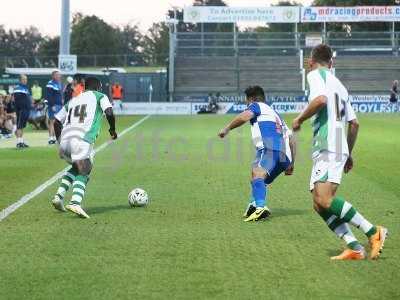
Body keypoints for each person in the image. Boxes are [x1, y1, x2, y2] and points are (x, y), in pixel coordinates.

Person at [292, 44, 387, 260]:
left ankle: (374, 232)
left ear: (310, 62)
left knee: (324, 199)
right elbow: (354, 124)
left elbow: (320, 100)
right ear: (332, 63)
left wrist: (299, 118)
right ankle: (354, 246)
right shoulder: (340, 86)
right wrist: (348, 153)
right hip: (333, 146)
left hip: (328, 143)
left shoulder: (315, 75)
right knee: (318, 203)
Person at [218, 86, 296, 222]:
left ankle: (260, 207)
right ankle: (253, 205)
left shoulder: (257, 106)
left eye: (247, 102)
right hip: (285, 156)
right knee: (258, 179)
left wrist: (227, 128)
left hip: (269, 148)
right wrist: (291, 164)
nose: (247, 106)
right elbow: (292, 140)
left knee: (258, 174)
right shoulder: (275, 114)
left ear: (252, 99)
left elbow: (244, 116)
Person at [51, 77, 118, 218]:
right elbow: (109, 112)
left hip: (65, 140)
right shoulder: (100, 96)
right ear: (98, 87)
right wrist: (112, 130)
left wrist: (59, 141)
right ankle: (75, 202)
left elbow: (56, 121)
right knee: (85, 169)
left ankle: (58, 197)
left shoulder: (73, 100)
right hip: (81, 140)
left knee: (76, 167)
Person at [12, 75, 32, 148]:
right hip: (21, 110)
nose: (25, 81)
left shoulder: (25, 88)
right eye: (23, 79)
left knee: (22, 126)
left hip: (26, 110)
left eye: (26, 79)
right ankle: (19, 142)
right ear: (20, 80)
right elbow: (17, 100)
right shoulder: (18, 88)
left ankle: (21, 141)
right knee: (19, 126)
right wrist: (20, 109)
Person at [45, 70, 63, 145]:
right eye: (57, 75)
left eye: (59, 75)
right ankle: (50, 138)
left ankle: (56, 137)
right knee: (52, 121)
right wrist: (52, 105)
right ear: (53, 76)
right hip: (54, 105)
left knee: (58, 122)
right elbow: (49, 96)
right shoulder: (50, 84)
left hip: (59, 105)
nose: (59, 76)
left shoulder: (59, 84)